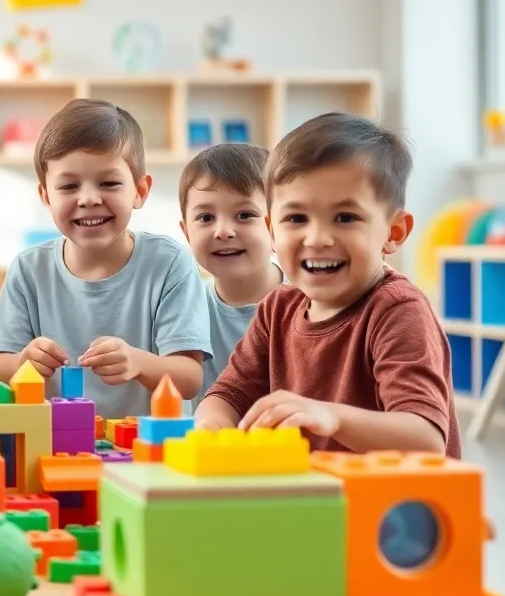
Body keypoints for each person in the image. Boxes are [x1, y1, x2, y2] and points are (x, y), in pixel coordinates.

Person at [195, 112, 461, 456]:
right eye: (296, 218)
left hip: (394, 508)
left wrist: (331, 417)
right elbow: (227, 395)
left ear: (393, 233)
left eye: (345, 218)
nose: (317, 238)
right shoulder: (277, 308)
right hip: (317, 502)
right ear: (272, 230)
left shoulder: (397, 310)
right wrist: (212, 424)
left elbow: (425, 439)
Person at [0, 98, 212, 418]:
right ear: (46, 197)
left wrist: (138, 363)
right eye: (68, 186)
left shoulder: (170, 262)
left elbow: (190, 378)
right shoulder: (28, 269)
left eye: (109, 183)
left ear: (140, 191)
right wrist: (24, 362)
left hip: (153, 451)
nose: (89, 198)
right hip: (56, 446)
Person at [178, 143, 285, 407]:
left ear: (278, 225)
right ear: (186, 232)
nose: (223, 231)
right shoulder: (185, 310)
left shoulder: (310, 304)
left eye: (244, 215)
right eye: (205, 218)